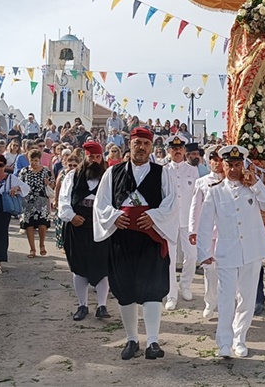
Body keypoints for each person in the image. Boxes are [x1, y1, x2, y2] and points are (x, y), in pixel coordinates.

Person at [93, 127, 179, 360]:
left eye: (146, 144)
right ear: (129, 145)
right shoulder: (113, 173)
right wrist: (114, 217)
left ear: (151, 147)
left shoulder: (163, 173)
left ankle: (152, 341)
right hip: (122, 241)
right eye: (137, 143)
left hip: (151, 239)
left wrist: (154, 216)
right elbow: (100, 204)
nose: (141, 147)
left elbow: (172, 203)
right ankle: (131, 340)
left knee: (152, 289)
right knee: (125, 290)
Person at [196, 145, 265, 358]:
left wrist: (257, 183)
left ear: (244, 165)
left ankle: (240, 338)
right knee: (226, 297)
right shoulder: (214, 190)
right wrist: (203, 252)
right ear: (222, 165)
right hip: (227, 252)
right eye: (230, 165)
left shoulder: (252, 187)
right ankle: (224, 341)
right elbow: (204, 225)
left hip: (252, 251)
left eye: (238, 164)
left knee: (247, 298)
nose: (234, 169)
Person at [58, 141, 111, 321]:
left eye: (98, 157)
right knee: (79, 267)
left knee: (102, 266)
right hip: (77, 226)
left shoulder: (108, 177)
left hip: (100, 227)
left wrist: (104, 218)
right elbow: (63, 199)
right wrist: (71, 216)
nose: (95, 161)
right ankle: (82, 305)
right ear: (85, 157)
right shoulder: (72, 176)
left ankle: (102, 305)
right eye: (91, 157)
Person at [163, 136, 201, 311]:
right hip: (169, 220)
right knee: (169, 259)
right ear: (169, 151)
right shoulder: (163, 171)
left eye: (180, 149)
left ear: (184, 151)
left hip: (187, 220)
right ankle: (171, 294)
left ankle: (185, 284)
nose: (177, 151)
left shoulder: (193, 171)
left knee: (192, 255)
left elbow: (196, 196)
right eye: (174, 148)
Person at [187, 146, 225, 319]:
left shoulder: (231, 180)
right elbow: (195, 208)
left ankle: (227, 305)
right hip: (209, 233)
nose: (218, 163)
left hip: (227, 234)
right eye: (214, 160)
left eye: (220, 160)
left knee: (228, 271)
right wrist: (193, 230)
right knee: (210, 271)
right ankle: (210, 302)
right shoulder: (202, 182)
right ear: (209, 161)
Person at [19, 150, 54, 257]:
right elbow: (20, 184)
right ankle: (32, 249)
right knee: (29, 225)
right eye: (31, 160)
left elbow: (52, 185)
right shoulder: (24, 171)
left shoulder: (45, 170)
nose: (33, 162)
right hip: (28, 201)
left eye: (36, 160)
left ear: (39, 160)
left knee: (42, 224)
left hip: (41, 200)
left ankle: (42, 245)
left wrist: (48, 183)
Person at [53, 154, 80, 250]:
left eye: (74, 165)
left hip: (74, 203)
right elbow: (57, 187)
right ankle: (63, 244)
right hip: (63, 201)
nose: (72, 167)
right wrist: (55, 200)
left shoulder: (79, 175)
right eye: (70, 165)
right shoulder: (62, 173)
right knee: (61, 223)